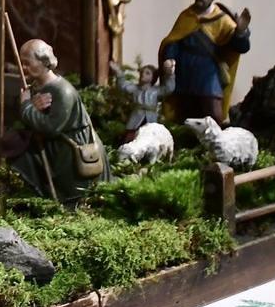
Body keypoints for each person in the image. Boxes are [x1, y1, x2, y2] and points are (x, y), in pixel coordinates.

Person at [11, 39, 110, 202]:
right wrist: (29, 106)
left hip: (71, 149)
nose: (23, 68)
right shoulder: (35, 87)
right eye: (21, 63)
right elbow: (27, 113)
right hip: (52, 146)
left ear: (44, 61)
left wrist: (27, 107)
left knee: (73, 197)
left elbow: (51, 127)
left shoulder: (63, 91)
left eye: (27, 63)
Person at [160, 0, 251, 123]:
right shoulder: (186, 16)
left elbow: (240, 47)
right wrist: (169, 58)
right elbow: (174, 40)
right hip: (185, 71)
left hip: (208, 73)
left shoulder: (222, 20)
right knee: (184, 111)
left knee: (213, 113)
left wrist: (240, 32)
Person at [115, 62, 173, 141]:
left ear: (153, 77)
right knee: (130, 137)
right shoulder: (135, 89)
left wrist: (170, 74)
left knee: (151, 138)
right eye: (142, 72)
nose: (143, 74)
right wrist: (119, 72)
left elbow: (168, 88)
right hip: (135, 119)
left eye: (147, 73)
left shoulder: (156, 91)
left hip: (151, 119)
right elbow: (123, 85)